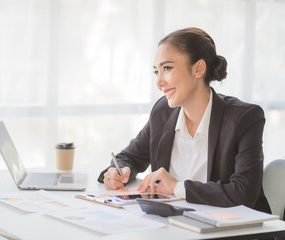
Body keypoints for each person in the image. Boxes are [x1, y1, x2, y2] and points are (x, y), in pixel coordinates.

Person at [98, 27, 271, 213]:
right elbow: (128, 158)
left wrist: (176, 187)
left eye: (167, 68)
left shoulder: (244, 118)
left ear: (198, 69)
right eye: (156, 71)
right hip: (176, 226)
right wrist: (117, 173)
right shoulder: (162, 112)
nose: (159, 82)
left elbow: (243, 193)